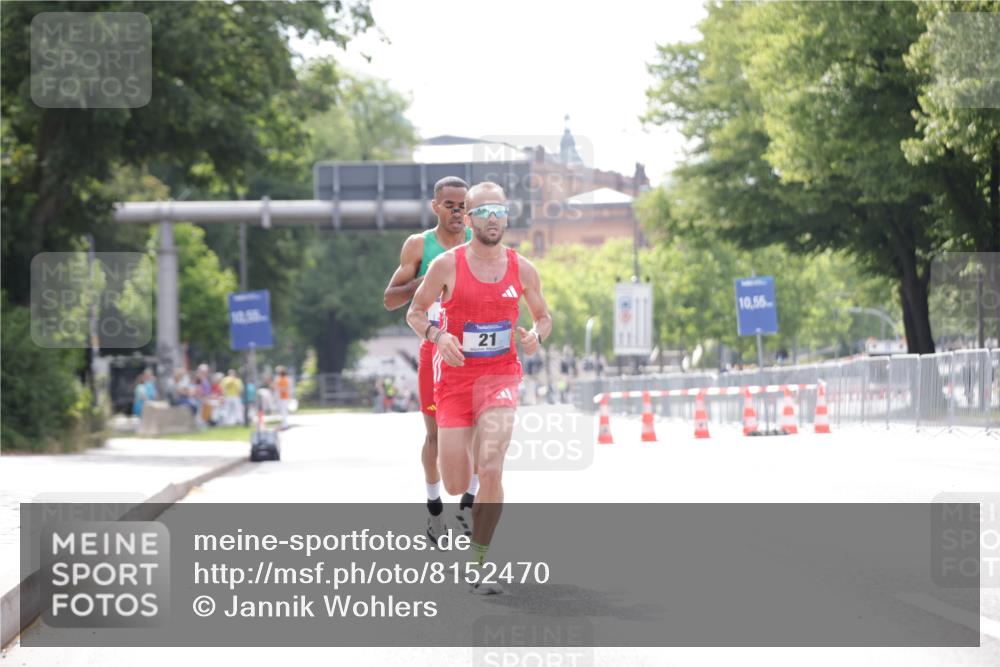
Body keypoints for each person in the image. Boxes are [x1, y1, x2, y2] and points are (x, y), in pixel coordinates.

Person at [407, 181, 552, 594]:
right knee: (456, 483)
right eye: (484, 212)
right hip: (454, 379)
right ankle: (457, 496)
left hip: (500, 376)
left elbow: (543, 316)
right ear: (468, 219)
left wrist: (536, 336)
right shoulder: (446, 266)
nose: (493, 219)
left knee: (490, 467)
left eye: (500, 212)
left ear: (508, 218)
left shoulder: (522, 268)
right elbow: (415, 313)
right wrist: (438, 336)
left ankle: (479, 563)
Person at [384, 176, 479, 548]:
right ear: (436, 206)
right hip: (434, 349)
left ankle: (468, 505)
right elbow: (391, 300)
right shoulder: (418, 245)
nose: (457, 211)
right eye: (450, 205)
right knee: (436, 436)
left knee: (477, 432)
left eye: (463, 205)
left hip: (474, 351)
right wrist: (424, 281)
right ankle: (435, 509)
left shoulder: (479, 243)